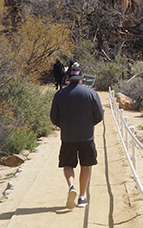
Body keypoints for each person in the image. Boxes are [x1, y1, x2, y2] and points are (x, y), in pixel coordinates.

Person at [50, 66, 103, 209]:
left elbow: (54, 117)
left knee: (68, 164)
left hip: (68, 136)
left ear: (67, 79)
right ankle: (81, 197)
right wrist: (88, 124)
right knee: (85, 165)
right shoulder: (91, 93)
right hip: (87, 136)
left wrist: (64, 125)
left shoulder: (60, 95)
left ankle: (71, 187)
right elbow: (99, 115)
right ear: (82, 78)